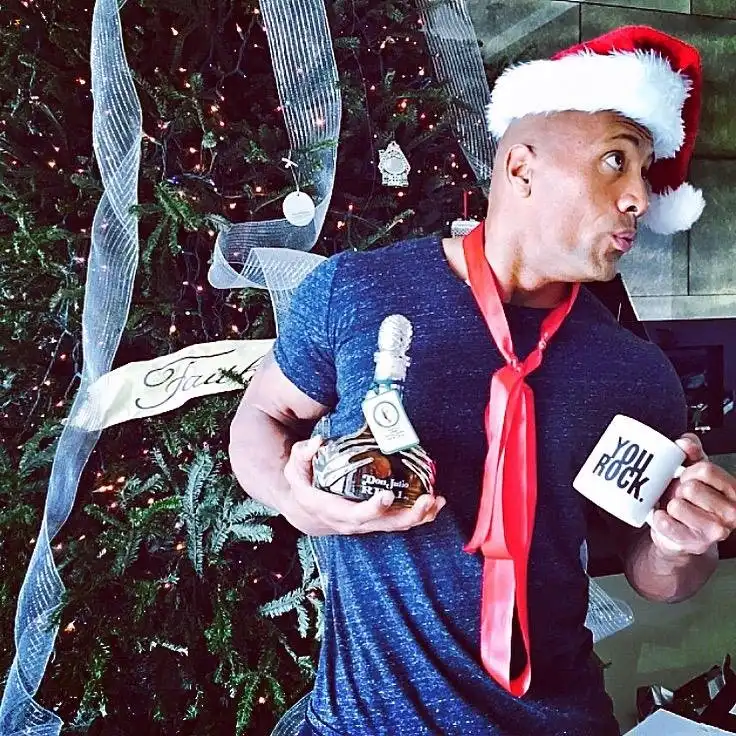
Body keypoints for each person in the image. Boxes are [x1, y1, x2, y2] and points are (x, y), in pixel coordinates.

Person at [230, 26, 736, 736]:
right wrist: (294, 499)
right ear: (521, 167)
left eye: (645, 174)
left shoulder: (635, 370)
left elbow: (655, 574)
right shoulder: (358, 291)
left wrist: (684, 545)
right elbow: (261, 416)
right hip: (363, 723)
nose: (639, 199)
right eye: (615, 160)